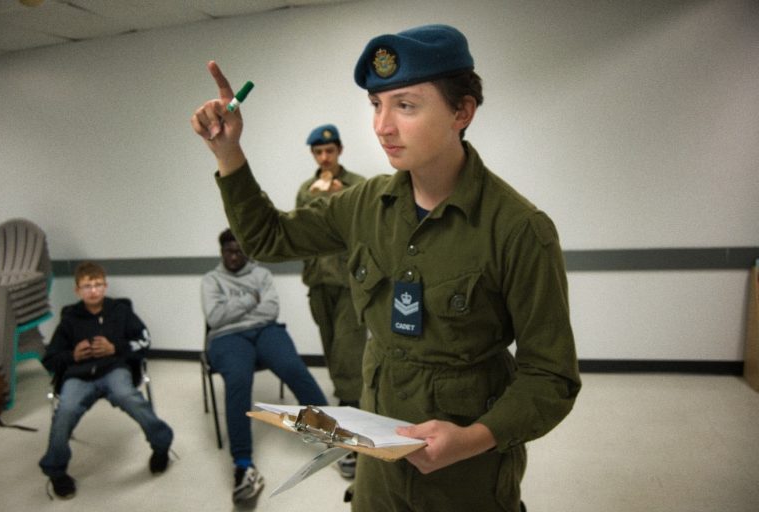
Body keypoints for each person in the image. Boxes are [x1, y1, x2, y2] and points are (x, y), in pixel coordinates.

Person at [191, 24, 581, 512]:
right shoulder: (366, 206)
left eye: (406, 106)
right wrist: (229, 153)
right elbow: (269, 238)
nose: (382, 126)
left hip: (467, 474)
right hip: (378, 455)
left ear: (462, 111)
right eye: (377, 104)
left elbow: (551, 377)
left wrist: (474, 438)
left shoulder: (518, 229)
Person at [201, 228, 328, 504]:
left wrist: (235, 307)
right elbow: (215, 317)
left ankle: (337, 436)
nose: (234, 256)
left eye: (239, 251)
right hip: (227, 337)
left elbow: (270, 310)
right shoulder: (211, 280)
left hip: (265, 330)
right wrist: (250, 299)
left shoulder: (262, 275)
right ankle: (243, 465)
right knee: (238, 380)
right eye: (228, 251)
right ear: (222, 252)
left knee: (293, 367)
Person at [39, 262, 173, 499]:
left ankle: (161, 446)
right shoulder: (70, 318)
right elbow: (50, 358)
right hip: (78, 375)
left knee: (128, 396)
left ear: (105, 285)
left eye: (98, 285)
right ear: (77, 290)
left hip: (114, 368)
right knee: (66, 410)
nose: (93, 291)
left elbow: (144, 340)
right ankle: (57, 471)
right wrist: (73, 355)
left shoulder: (120, 311)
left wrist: (115, 348)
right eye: (87, 286)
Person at [296, 124, 368, 479]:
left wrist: (336, 195)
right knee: (331, 348)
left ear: (339, 151)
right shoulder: (305, 190)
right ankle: (347, 406)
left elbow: (362, 222)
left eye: (329, 151)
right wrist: (317, 196)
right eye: (318, 153)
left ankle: (350, 436)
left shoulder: (357, 186)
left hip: (351, 282)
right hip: (319, 281)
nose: (324, 158)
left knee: (348, 352)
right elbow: (302, 228)